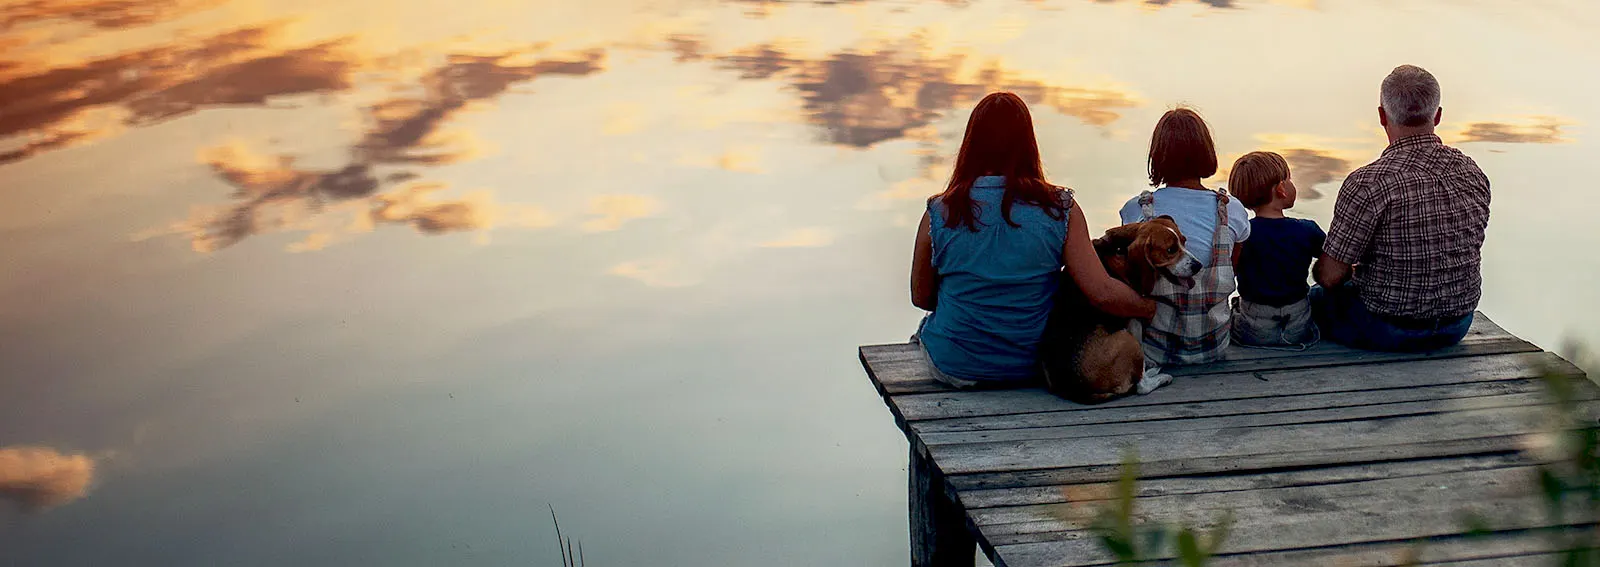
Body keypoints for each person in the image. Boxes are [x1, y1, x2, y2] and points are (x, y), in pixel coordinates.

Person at [910, 92, 1155, 388]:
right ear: (1029, 145)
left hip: (955, 366)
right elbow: (1101, 291)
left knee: (924, 329)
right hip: (1035, 365)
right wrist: (1148, 308)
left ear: (971, 145)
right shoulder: (1060, 209)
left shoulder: (939, 212)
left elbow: (922, 297)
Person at [1312, 65, 1491, 352]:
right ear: (1438, 115)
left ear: (1382, 116)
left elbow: (1330, 276)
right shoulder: (1472, 173)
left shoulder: (1368, 182)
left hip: (1386, 328)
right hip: (1457, 325)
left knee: (1314, 297)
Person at [1117, 107, 1247, 365]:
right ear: (1207, 152)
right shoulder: (1231, 209)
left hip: (1154, 351)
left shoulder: (1137, 210)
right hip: (1214, 347)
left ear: (1157, 155)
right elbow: (1233, 267)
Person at [1227, 151, 1325, 348]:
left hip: (1253, 331)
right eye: (1289, 179)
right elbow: (1334, 261)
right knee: (1319, 293)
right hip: (1298, 328)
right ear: (1281, 189)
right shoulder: (1306, 229)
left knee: (1237, 305)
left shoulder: (1241, 235)